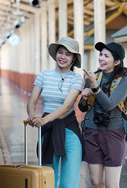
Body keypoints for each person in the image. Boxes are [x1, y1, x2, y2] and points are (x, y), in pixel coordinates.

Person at [27, 37, 84, 188]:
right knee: (47, 180)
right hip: (48, 130)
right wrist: (33, 117)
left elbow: (66, 107)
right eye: (60, 52)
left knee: (69, 183)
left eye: (68, 54)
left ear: (73, 59)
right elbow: (32, 100)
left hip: (69, 130)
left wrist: (43, 121)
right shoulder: (43, 75)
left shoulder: (76, 79)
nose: (63, 57)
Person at [78, 42, 127, 188]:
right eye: (101, 54)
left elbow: (109, 105)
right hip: (92, 132)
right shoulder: (93, 77)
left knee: (111, 185)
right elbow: (83, 108)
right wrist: (83, 98)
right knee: (96, 183)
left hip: (113, 134)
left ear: (117, 61)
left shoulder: (125, 80)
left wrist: (95, 86)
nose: (101, 58)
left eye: (106, 56)